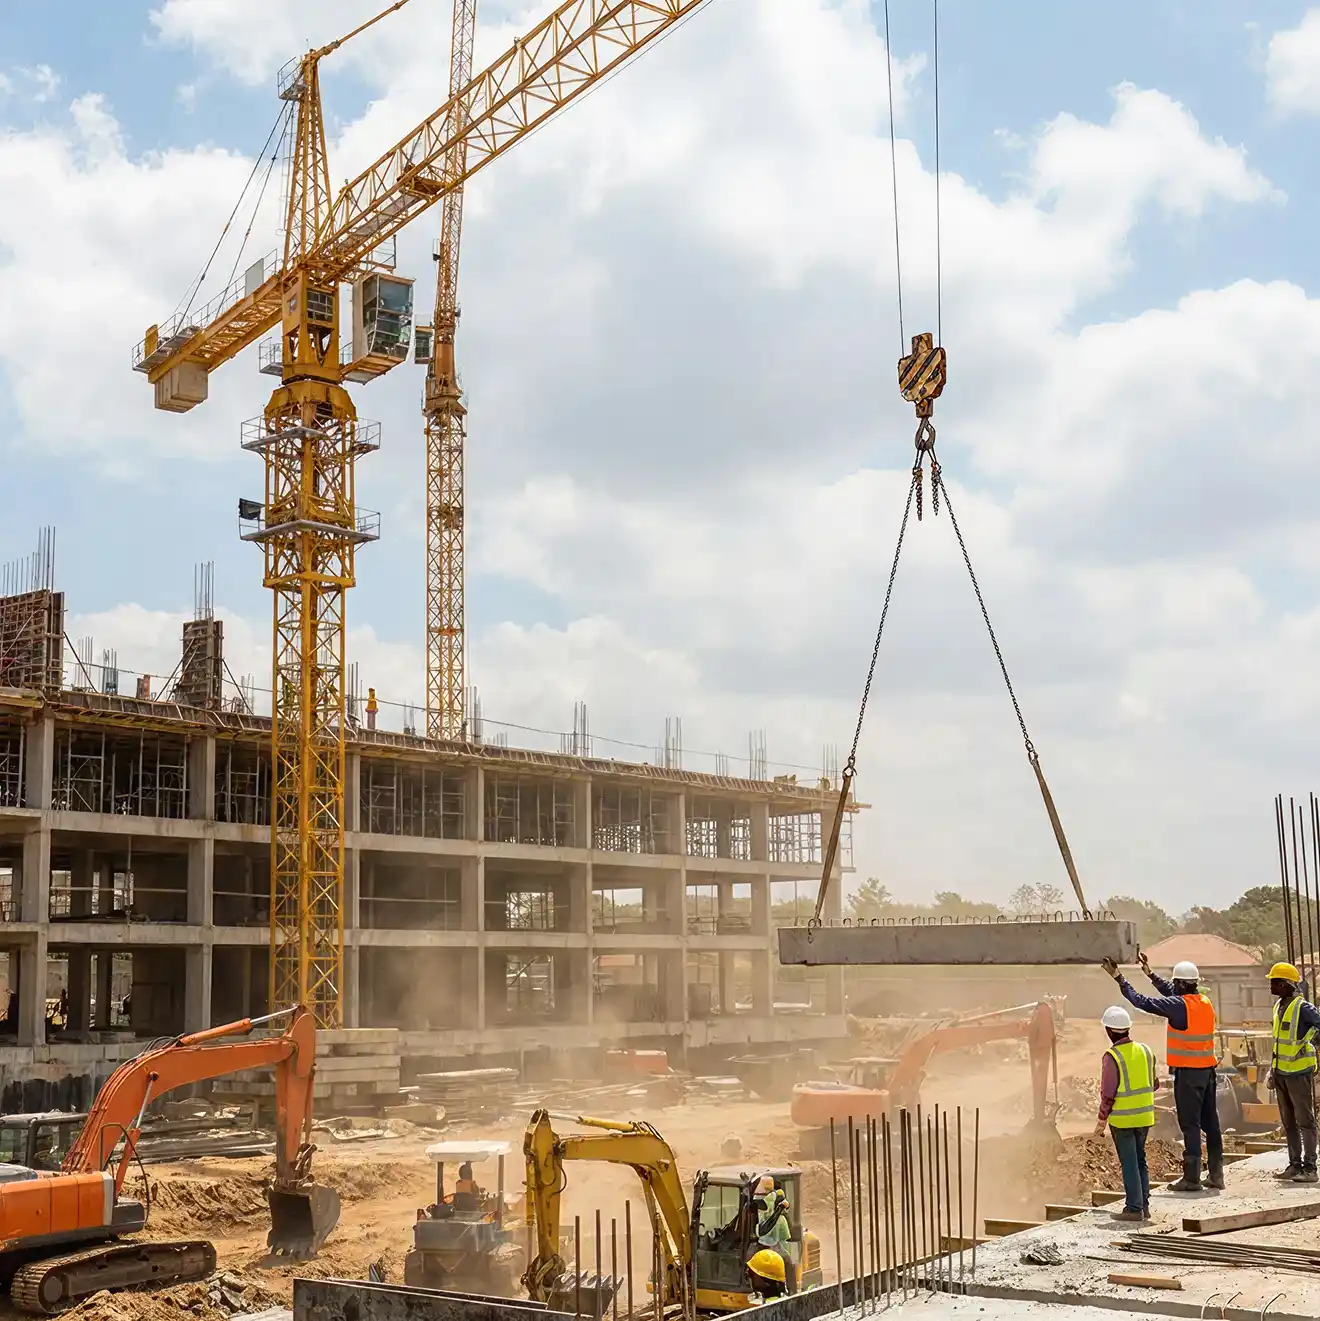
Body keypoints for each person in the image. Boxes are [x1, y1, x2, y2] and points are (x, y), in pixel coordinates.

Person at [1102, 953, 1222, 1191]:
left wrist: (1119, 978)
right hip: (1208, 1071)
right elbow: (1170, 991)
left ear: (1180, 984)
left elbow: (1141, 1001)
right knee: (1211, 1124)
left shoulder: (1179, 1006)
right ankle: (1217, 1175)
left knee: (1190, 1125)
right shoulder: (1203, 1002)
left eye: (1174, 983)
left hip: (1188, 1075)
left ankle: (1191, 1178)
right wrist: (1150, 974)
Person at [1094, 1005, 1158, 1221]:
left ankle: (1133, 1208)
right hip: (1145, 1117)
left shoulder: (1112, 1056)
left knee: (1129, 1162)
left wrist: (1101, 1121)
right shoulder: (1146, 1051)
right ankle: (1144, 1206)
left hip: (1123, 1119)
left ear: (1110, 1031)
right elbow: (1154, 1083)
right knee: (1140, 1160)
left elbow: (1108, 1094)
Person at [1268, 962, 1320, 1183]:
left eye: (1275, 981)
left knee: (1305, 1121)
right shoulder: (1278, 1007)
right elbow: (1279, 1043)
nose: (1271, 985)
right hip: (1281, 1073)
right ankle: (1294, 1164)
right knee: (1288, 1122)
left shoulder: (1303, 1008)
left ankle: (1310, 1168)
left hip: (1298, 1073)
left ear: (1287, 984)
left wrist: (1309, 1042)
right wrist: (1272, 1071)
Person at [753, 1175, 795, 1292]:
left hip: (773, 1247)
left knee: (787, 1261)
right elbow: (762, 1230)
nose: (760, 1208)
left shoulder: (780, 1220)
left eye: (763, 1206)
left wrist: (778, 1210)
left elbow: (764, 1230)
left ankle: (791, 1293)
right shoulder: (760, 1212)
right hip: (763, 1245)